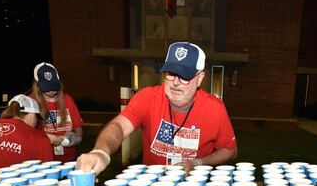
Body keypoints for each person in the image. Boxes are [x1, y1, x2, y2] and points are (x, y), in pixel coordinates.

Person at [77, 41, 238, 175]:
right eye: (171, 73)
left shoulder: (214, 109)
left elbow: (230, 150)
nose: (175, 82)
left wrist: (197, 163)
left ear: (200, 78)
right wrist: (101, 152)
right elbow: (118, 126)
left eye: (184, 76)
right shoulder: (147, 98)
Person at [0, 94, 53, 175]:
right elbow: (47, 173)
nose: (37, 122)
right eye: (37, 118)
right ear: (31, 114)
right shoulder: (39, 137)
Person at [32, 62, 83, 163]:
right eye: (46, 87)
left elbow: (78, 128)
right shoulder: (32, 102)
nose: (51, 90)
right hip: (43, 161)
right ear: (37, 85)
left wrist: (78, 138)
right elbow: (25, 133)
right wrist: (47, 139)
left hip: (69, 159)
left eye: (53, 86)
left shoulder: (67, 99)